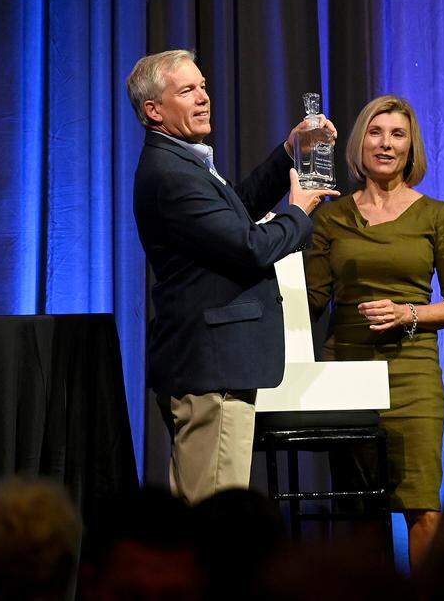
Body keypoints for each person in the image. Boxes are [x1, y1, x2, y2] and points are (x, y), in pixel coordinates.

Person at [129, 49, 338, 504]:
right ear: (153, 110)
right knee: (213, 522)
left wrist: (289, 151)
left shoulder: (184, 163)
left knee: (204, 517)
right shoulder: (171, 173)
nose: (204, 98)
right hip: (212, 369)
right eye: (188, 90)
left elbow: (235, 213)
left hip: (213, 366)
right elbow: (250, 246)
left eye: (203, 87)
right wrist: (299, 214)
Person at [304, 95, 444, 568]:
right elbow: (313, 300)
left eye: (398, 134)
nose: (386, 144)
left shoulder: (437, 215)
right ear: (360, 143)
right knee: (359, 511)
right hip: (347, 373)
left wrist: (408, 314)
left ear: (411, 146)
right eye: (376, 133)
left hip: (412, 374)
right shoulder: (332, 216)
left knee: (422, 507)